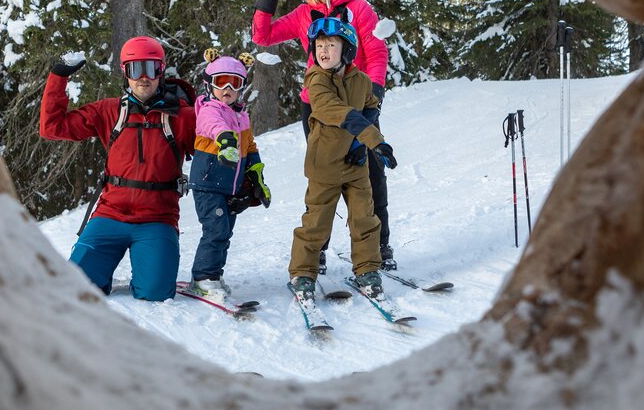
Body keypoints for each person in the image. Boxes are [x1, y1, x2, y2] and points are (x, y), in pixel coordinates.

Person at [252, 0, 398, 271]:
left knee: (371, 170)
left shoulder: (359, 8)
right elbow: (263, 37)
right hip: (317, 106)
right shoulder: (304, 14)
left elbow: (376, 52)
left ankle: (380, 245)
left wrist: (373, 98)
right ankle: (316, 249)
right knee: (325, 176)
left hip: (358, 100)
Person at [39, 36, 196, 301]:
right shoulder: (109, 111)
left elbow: (218, 143)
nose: (143, 77)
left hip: (157, 219)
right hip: (109, 216)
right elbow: (52, 128)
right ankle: (98, 270)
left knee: (155, 293)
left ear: (161, 71)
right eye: (135, 69)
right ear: (125, 73)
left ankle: (151, 270)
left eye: (150, 68)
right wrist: (59, 76)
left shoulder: (183, 116)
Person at [288, 16, 398, 301]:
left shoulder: (361, 80)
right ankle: (302, 273)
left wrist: (367, 144)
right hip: (325, 164)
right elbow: (337, 111)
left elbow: (370, 107)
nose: (323, 50)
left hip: (355, 163)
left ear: (347, 48)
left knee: (364, 217)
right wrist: (375, 140)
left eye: (331, 44)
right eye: (319, 45)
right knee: (317, 222)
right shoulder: (315, 79)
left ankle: (367, 270)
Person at [185, 49, 272, 304]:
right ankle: (202, 278)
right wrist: (225, 140)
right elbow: (215, 127)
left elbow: (250, 147)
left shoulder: (241, 116)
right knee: (215, 229)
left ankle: (213, 275)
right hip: (208, 183)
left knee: (225, 231)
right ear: (210, 85)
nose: (227, 89)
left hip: (230, 187)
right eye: (221, 81)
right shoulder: (208, 109)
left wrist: (256, 176)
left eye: (234, 83)